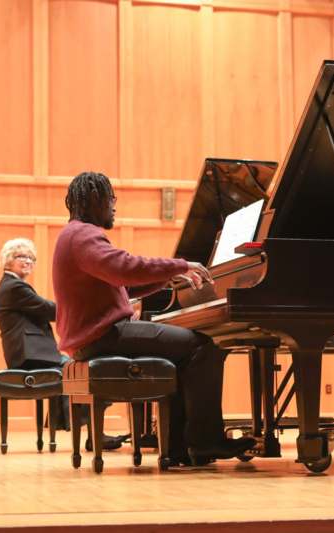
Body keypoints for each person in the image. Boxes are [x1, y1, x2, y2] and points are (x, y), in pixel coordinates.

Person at [52, 172, 255, 466]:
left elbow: (121, 283)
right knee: (204, 347)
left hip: (93, 337)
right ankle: (205, 441)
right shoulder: (84, 235)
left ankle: (176, 447)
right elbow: (124, 267)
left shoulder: (73, 235)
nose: (114, 206)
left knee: (182, 355)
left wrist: (168, 277)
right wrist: (179, 265)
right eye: (111, 198)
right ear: (95, 199)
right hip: (104, 335)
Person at [0, 238, 123, 449]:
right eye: (21, 256)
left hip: (31, 353)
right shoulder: (14, 287)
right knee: (83, 371)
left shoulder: (12, 286)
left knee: (81, 369)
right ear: (8, 260)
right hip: (30, 355)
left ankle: (92, 434)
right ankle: (93, 435)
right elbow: (51, 309)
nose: (27, 261)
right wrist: (87, 308)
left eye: (30, 257)